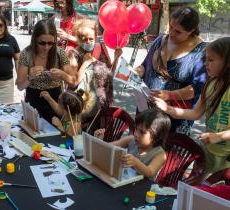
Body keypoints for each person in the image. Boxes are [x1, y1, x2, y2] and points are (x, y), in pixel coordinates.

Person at [153, 37, 230, 175]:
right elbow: (195, 113)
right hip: (209, 151)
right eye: (206, 59)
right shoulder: (210, 84)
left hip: (226, 158)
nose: (206, 64)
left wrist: (219, 136)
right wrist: (168, 109)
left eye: (211, 60)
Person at [134, 7, 207, 135]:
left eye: (178, 31)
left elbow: (197, 88)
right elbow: (145, 65)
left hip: (173, 119)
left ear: (191, 31)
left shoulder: (201, 52)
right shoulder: (160, 40)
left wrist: (170, 95)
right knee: (142, 150)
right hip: (146, 110)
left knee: (166, 153)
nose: (171, 33)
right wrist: (137, 71)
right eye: (171, 26)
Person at [16, 19, 75, 122]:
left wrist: (62, 75)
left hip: (56, 103)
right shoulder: (26, 54)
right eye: (42, 43)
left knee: (57, 133)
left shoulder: (59, 53)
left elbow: (73, 82)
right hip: (33, 101)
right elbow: (20, 86)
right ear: (35, 39)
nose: (46, 47)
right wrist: (30, 77)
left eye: (50, 43)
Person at [68, 18, 121, 123]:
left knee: (100, 136)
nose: (88, 42)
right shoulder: (73, 54)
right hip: (85, 105)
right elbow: (73, 83)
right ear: (78, 39)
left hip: (103, 103)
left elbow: (110, 74)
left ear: (96, 36)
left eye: (91, 39)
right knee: (81, 136)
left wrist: (116, 58)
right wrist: (85, 63)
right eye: (84, 39)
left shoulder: (101, 48)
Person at [94, 108, 171, 179]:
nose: (136, 134)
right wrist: (99, 141)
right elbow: (109, 147)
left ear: (157, 136)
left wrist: (136, 162)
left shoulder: (159, 154)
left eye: (142, 132)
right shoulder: (131, 140)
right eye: (136, 129)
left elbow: (150, 172)